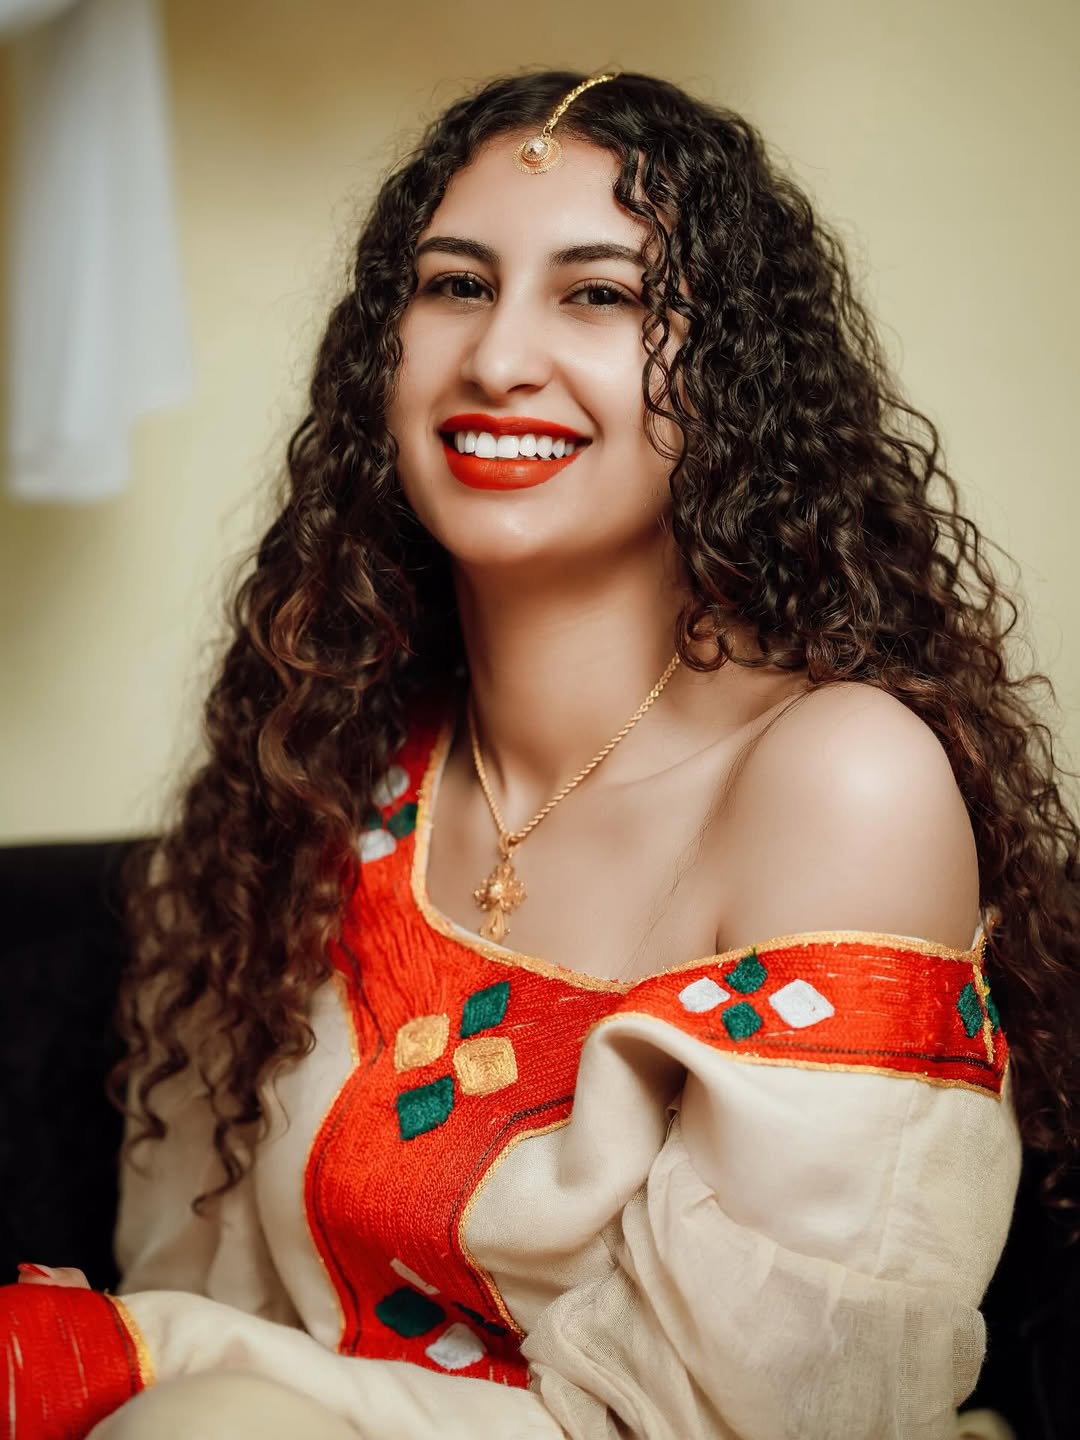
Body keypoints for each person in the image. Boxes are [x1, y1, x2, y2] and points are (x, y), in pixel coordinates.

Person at [3, 67, 1078, 1440]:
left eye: (600, 295)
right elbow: (192, 1286)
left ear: (738, 375)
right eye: (456, 285)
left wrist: (154, 1360)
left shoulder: (839, 780)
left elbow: (748, 1426)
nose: (500, 357)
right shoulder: (315, 774)